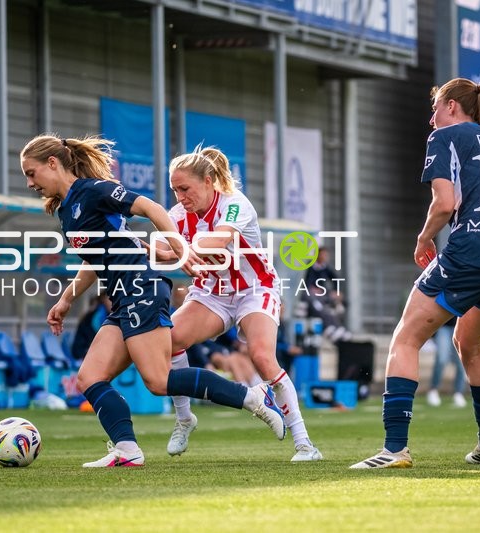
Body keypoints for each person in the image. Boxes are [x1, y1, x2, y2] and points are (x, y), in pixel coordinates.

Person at [20, 134, 286, 467]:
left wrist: (180, 248)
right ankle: (127, 450)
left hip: (141, 288)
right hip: (122, 297)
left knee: (158, 381)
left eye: (31, 173)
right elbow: (93, 259)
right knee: (89, 377)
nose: (29, 183)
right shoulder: (67, 210)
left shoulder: (93, 190)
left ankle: (252, 397)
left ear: (53, 163)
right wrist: (65, 300)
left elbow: (151, 208)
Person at [350, 78, 480, 469]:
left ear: (451, 105)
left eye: (435, 109)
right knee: (470, 344)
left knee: (406, 338)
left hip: (475, 249)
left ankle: (394, 449)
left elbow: (444, 203)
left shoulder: (446, 136)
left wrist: (423, 239)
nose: (431, 119)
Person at [154, 145, 322, 462]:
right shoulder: (177, 215)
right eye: (175, 190)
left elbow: (218, 240)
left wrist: (177, 248)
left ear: (208, 181)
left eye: (185, 188)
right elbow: (161, 251)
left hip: (255, 288)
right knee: (170, 340)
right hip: (212, 292)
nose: (180, 197)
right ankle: (185, 419)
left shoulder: (234, 204)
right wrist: (140, 246)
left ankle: (305, 444)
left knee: (262, 356)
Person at [425, 317, 468, 407]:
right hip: (443, 325)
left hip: (461, 326)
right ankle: (433, 390)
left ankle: (458, 393)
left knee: (461, 362)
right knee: (441, 359)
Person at [70, 294, 111, 360]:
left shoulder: (107, 314)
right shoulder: (95, 317)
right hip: (84, 353)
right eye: (110, 299)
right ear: (103, 299)